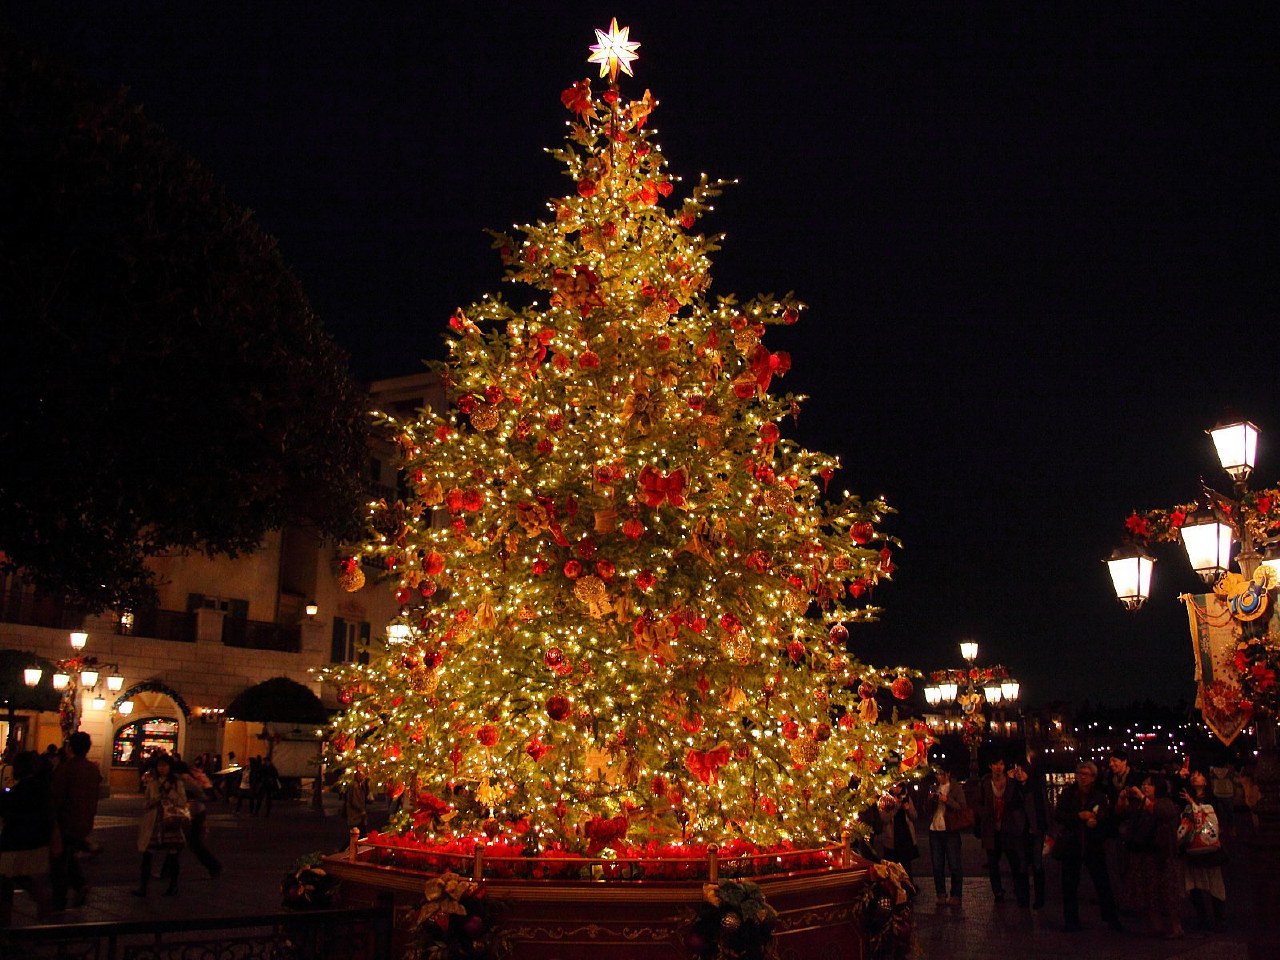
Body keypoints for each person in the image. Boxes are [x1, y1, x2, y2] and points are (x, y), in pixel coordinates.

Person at [1053, 760, 1122, 933]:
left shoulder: (1099, 795)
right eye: (1079, 774)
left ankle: (1111, 919)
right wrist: (1078, 816)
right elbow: (1059, 815)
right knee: (1069, 884)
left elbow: (1106, 817)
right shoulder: (1069, 794)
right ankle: (1071, 921)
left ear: (1093, 777)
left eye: (1085, 775)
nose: (1082, 778)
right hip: (1072, 843)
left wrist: (1096, 821)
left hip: (1092, 843)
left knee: (1102, 882)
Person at [1118, 774, 1184, 939]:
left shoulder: (1164, 803)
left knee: (1167, 892)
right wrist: (1122, 798)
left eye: (1150, 784)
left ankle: (1175, 927)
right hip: (1143, 852)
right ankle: (1157, 926)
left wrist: (1141, 797)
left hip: (1161, 854)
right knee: (1149, 893)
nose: (1145, 787)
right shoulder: (1139, 805)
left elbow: (1160, 812)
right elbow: (1122, 815)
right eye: (1144, 784)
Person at [0, 750, 55, 924]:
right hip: (38, 843)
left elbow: (6, 810)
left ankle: (5, 924)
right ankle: (44, 921)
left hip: (14, 844)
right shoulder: (43, 788)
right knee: (32, 883)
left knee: (4, 884)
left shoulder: (19, 790)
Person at [49, 730, 102, 911]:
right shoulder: (93, 769)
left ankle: (61, 898)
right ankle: (79, 885)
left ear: (70, 747)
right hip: (84, 821)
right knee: (67, 856)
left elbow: (57, 796)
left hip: (66, 822)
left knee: (59, 860)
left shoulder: (67, 768)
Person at [973, 755, 1028, 906]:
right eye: (995, 764)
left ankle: (1019, 891)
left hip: (1009, 829)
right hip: (991, 829)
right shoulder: (984, 784)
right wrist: (986, 812)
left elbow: (1021, 800)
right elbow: (977, 804)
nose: (998, 767)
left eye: (1001, 764)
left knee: (1014, 861)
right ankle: (997, 891)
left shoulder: (1012, 782)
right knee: (993, 863)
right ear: (990, 766)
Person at [133, 753, 188, 897]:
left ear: (170, 767)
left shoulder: (177, 783)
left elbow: (182, 801)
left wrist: (170, 792)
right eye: (159, 766)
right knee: (147, 855)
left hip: (170, 822)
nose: (161, 768)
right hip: (154, 823)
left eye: (164, 765)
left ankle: (173, 886)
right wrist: (154, 800)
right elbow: (145, 802)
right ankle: (143, 886)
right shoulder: (152, 782)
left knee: (173, 854)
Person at [1180, 769, 1227, 931]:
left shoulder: (1212, 800)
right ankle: (1203, 918)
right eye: (1194, 775)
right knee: (1194, 884)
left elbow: (1217, 823)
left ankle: (1218, 918)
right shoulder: (1185, 797)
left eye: (1199, 774)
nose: (1195, 777)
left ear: (1206, 780)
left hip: (1208, 846)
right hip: (1193, 846)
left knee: (1214, 883)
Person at [922, 766, 968, 907]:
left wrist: (946, 800)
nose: (938, 777)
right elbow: (926, 809)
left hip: (950, 830)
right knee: (937, 865)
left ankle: (956, 894)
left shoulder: (955, 788)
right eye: (937, 774)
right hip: (935, 829)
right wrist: (931, 800)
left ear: (948, 773)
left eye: (941, 774)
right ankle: (940, 893)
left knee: (954, 864)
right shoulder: (934, 787)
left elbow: (962, 807)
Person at [1010, 757, 1049, 910]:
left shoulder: (1036, 788)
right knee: (1022, 865)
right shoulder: (1014, 788)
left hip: (1035, 830)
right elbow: (1008, 801)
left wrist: (1045, 829)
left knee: (1037, 864)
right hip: (1020, 831)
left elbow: (1044, 809)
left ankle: (1039, 898)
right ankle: (1023, 898)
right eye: (1017, 770)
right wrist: (1012, 782)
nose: (1019, 773)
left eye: (1022, 770)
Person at [175, 759, 222, 878]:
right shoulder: (184, 780)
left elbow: (203, 796)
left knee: (192, 843)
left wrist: (190, 800)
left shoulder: (186, 781)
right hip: (189, 813)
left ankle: (214, 867)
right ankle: (168, 870)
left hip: (194, 813)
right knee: (177, 842)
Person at [1208, 759, 1238, 836]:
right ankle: (1231, 828)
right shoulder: (1229, 771)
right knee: (1230, 812)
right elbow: (1234, 780)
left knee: (1220, 813)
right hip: (1228, 793)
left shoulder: (1213, 771)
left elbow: (1211, 781)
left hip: (1217, 792)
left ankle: (1221, 827)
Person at [343, 768, 371, 840]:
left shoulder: (359, 785)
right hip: (356, 815)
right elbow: (355, 801)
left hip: (357, 815)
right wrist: (362, 810)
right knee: (358, 835)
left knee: (358, 834)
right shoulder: (355, 786)